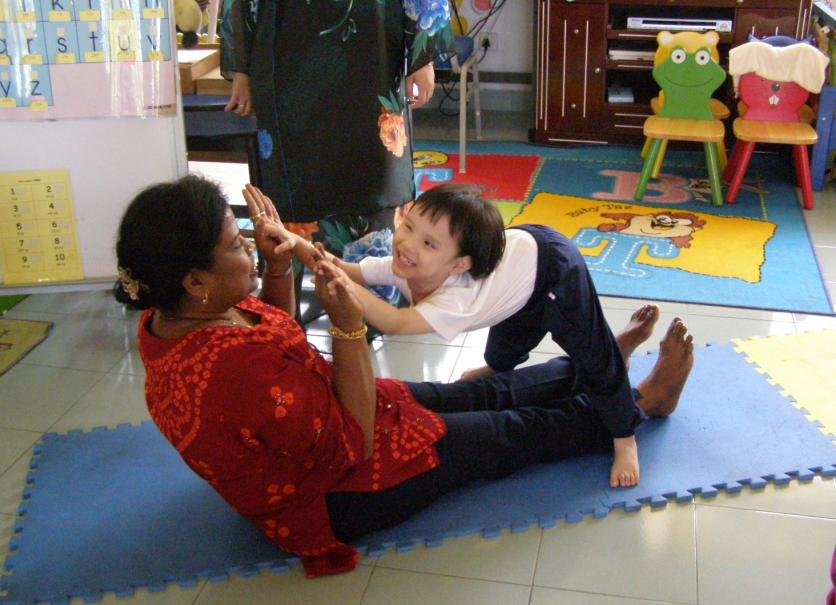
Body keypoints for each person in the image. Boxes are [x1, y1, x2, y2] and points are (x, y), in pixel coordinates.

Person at [114, 174, 695, 579]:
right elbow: (352, 444)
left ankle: (595, 369)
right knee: (507, 432)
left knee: (471, 392)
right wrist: (347, 330)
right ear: (194, 279)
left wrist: (278, 264)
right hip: (339, 491)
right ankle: (642, 401)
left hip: (325, 413)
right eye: (236, 244)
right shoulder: (235, 373)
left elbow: (277, 328)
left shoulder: (174, 315)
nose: (247, 244)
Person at [262, 182, 682, 489]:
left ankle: (624, 433)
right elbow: (345, 268)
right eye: (407, 227)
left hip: (553, 270)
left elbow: (393, 321)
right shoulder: (407, 264)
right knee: (506, 345)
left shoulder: (455, 298)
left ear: (459, 265)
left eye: (428, 244)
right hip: (515, 272)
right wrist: (291, 240)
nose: (406, 245)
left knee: (592, 355)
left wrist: (336, 281)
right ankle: (616, 347)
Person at [220, 0, 455, 232]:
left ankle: (371, 266)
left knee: (375, 171)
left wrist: (424, 57)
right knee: (297, 174)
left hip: (374, 54)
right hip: (287, 57)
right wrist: (243, 68)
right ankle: (293, 263)